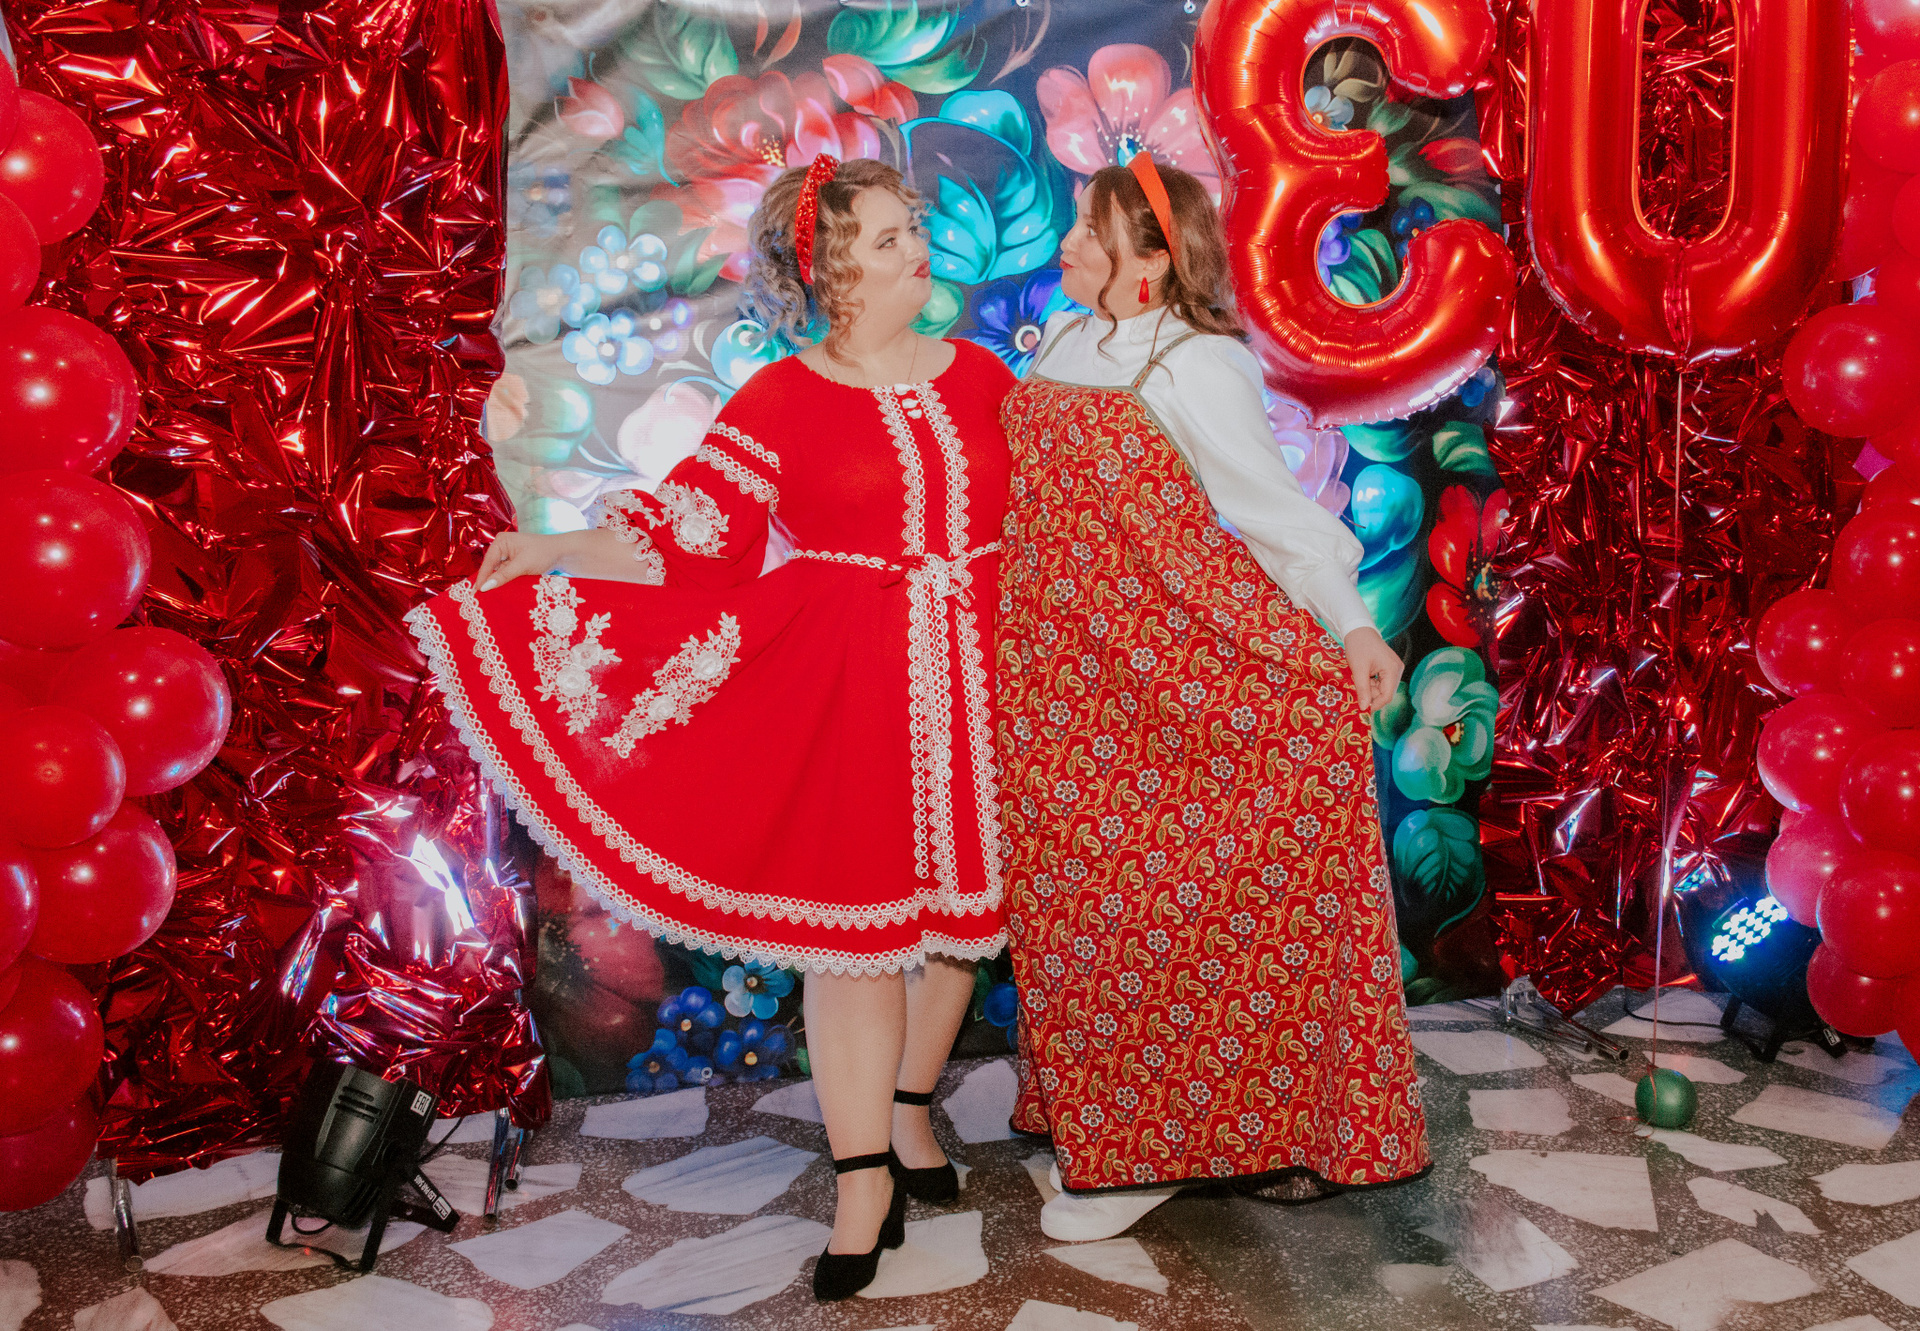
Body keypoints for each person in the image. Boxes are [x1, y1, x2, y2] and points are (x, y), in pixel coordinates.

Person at [407, 155, 1016, 1299]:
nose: (916, 250)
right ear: (829, 272)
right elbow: (684, 534)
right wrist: (555, 548)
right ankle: (864, 1182)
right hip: (850, 688)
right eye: (886, 238)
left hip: (984, 676)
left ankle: (908, 1109)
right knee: (859, 941)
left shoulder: (984, 376)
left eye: (912, 228)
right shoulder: (780, 400)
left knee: (960, 929)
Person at [995, 154, 1430, 1242]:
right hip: (1062, 680)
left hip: (1178, 671)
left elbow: (1273, 513)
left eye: (1090, 231)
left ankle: (1153, 1156)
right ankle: (1115, 1131)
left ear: (1152, 253)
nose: (1067, 245)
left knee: (1163, 912)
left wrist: (1354, 626)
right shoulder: (1064, 336)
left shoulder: (1199, 361)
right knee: (1080, 914)